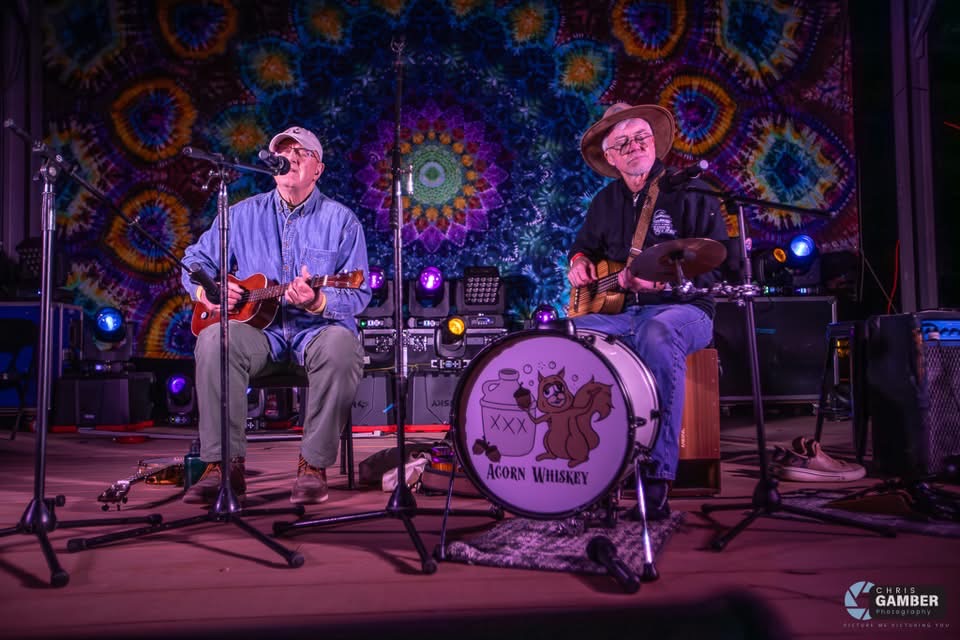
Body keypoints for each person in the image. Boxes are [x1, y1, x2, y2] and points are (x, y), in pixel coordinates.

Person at [180, 125, 372, 506]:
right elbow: (193, 262)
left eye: (301, 153)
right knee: (214, 339)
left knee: (342, 348)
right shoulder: (241, 214)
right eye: (284, 152)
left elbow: (359, 292)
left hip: (316, 332)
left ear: (318, 169)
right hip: (259, 335)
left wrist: (318, 302)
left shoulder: (342, 221)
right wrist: (210, 292)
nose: (291, 157)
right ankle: (223, 466)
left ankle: (312, 466)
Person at [568, 103, 732, 519]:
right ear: (610, 156)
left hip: (685, 309)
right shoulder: (604, 202)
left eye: (641, 137)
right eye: (623, 142)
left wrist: (665, 284)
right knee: (569, 336)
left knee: (656, 333)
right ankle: (587, 466)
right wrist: (578, 262)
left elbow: (721, 265)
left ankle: (655, 477)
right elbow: (584, 246)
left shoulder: (693, 191)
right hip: (624, 312)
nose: (635, 146)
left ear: (654, 141)